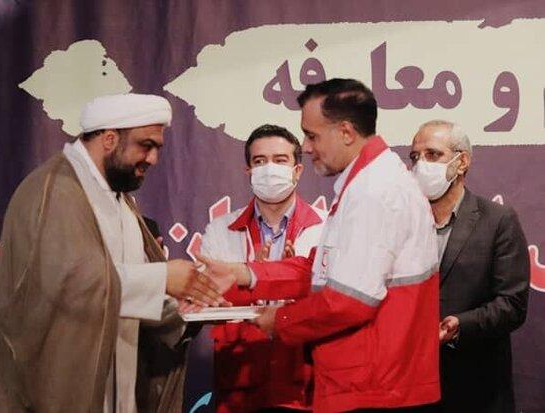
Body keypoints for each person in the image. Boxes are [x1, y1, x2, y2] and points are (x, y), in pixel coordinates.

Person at [0, 93, 226, 413]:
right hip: (53, 390)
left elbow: (124, 295)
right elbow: (67, 284)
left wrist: (187, 310)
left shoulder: (121, 201)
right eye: (146, 145)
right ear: (109, 139)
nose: (153, 158)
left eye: (157, 148)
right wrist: (163, 278)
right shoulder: (54, 190)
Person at [205, 78, 442, 412]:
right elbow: (321, 269)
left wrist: (280, 320)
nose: (306, 146)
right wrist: (245, 273)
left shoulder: (374, 191)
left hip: (374, 387)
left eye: (312, 135)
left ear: (345, 132)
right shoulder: (366, 183)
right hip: (369, 380)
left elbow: (348, 301)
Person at [200, 124, 326, 412]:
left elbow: (333, 299)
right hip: (239, 379)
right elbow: (206, 297)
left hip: (306, 379)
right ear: (248, 171)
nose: (270, 169)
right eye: (260, 161)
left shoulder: (327, 226)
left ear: (297, 170)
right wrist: (253, 276)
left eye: (280, 160)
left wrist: (282, 277)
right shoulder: (221, 229)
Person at [409, 120, 530, 413]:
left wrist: (459, 325)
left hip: (476, 389)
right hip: (410, 387)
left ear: (461, 162)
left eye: (433, 155)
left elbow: (512, 304)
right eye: (415, 157)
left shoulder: (497, 220)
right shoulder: (402, 222)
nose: (421, 164)